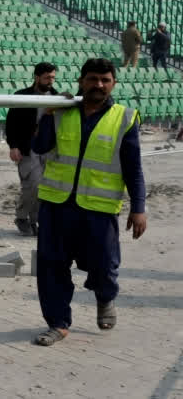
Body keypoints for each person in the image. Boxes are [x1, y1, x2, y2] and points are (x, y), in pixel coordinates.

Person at [29, 58, 147, 346]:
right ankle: (58, 323)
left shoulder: (124, 118)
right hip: (57, 205)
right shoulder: (60, 113)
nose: (99, 85)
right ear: (81, 81)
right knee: (51, 266)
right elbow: (39, 146)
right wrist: (48, 113)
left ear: (113, 84)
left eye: (105, 80)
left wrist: (139, 207)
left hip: (99, 209)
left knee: (104, 265)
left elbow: (133, 168)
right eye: (93, 79)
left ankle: (105, 297)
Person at [5, 62, 58, 237]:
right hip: (28, 148)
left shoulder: (57, 97)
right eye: (47, 77)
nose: (50, 81)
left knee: (44, 187)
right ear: (36, 77)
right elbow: (11, 124)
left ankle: (35, 221)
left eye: (52, 77)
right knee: (32, 185)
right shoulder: (22, 96)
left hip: (48, 149)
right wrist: (13, 146)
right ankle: (21, 217)